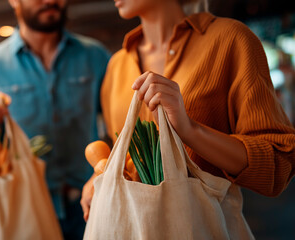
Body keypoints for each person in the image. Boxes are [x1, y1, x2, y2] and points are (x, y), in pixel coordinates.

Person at [81, 0, 295, 222]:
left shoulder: (231, 39)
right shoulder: (117, 65)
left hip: (203, 228)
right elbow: (123, 153)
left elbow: (277, 165)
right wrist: (97, 179)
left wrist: (190, 130)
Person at [0, 0, 110, 238]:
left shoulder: (95, 56)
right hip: (27, 203)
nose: (50, 1)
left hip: (94, 199)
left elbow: (116, 120)